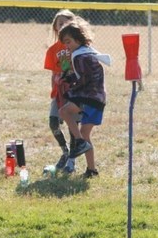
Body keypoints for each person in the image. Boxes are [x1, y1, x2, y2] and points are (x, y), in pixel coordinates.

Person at [58, 18, 111, 178]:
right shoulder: (87, 52)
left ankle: (79, 143)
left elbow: (87, 78)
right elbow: (86, 74)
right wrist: (72, 77)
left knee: (64, 112)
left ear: (78, 38)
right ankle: (91, 170)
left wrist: (72, 85)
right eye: (64, 43)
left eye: (68, 42)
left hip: (90, 97)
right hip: (98, 98)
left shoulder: (81, 56)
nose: (67, 46)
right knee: (85, 133)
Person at [43, 9, 78, 173]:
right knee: (53, 122)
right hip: (59, 93)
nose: (63, 26)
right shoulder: (53, 49)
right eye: (60, 23)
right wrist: (54, 92)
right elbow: (53, 73)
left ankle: (72, 160)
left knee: (73, 127)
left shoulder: (78, 46)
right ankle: (65, 152)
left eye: (66, 22)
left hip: (75, 92)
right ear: (55, 28)